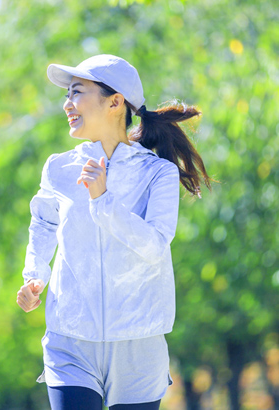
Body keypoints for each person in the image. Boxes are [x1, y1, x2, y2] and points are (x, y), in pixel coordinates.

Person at [16, 54, 211, 410]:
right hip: (70, 340)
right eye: (66, 96)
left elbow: (155, 246)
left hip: (138, 344)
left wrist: (103, 201)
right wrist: (35, 276)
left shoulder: (158, 174)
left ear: (115, 101)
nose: (67, 105)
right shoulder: (58, 168)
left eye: (76, 93)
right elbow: (44, 223)